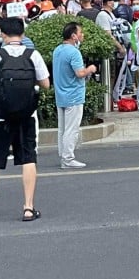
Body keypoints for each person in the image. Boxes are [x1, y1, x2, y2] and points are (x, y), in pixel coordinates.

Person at [0, 17, 50, 221]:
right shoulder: (33, 55)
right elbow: (45, 84)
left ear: (3, 34)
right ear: (22, 34)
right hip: (27, 115)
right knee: (28, 158)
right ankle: (28, 207)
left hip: (1, 116)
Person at [52, 22, 96, 170]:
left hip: (61, 95)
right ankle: (68, 158)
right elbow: (79, 73)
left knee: (63, 129)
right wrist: (90, 69)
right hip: (74, 95)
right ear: (73, 36)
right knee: (72, 129)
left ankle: (63, 155)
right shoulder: (74, 52)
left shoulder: (57, 50)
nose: (82, 35)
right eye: (80, 33)